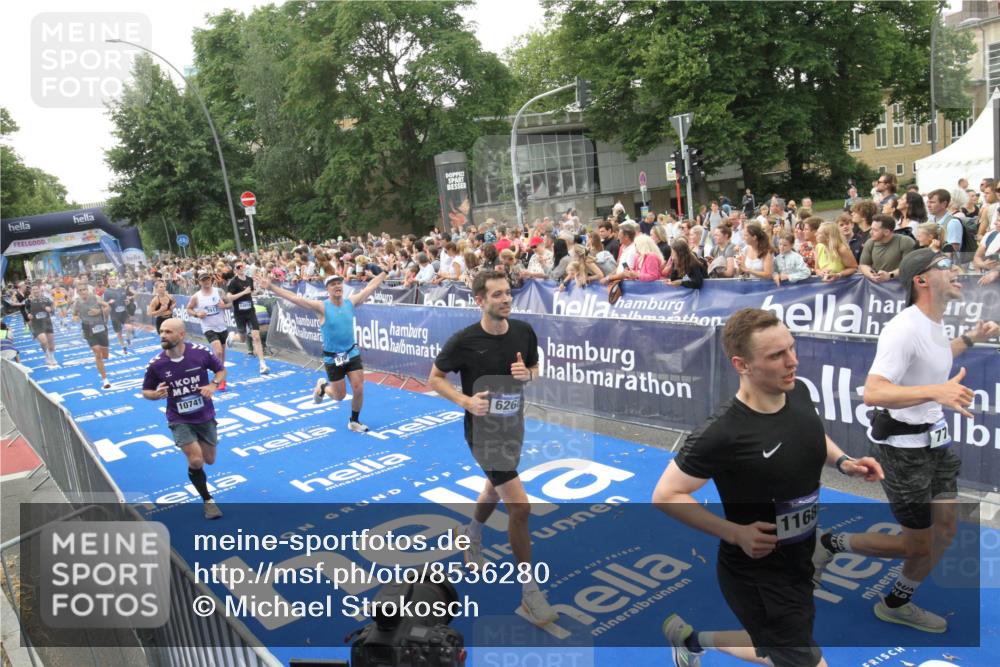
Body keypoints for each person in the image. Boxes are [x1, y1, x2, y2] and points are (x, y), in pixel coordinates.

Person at [653, 308, 883, 667]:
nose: (793, 361)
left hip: (801, 556)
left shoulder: (797, 392)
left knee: (777, 649)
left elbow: (809, 433)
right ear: (741, 365)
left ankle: (691, 641)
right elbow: (666, 494)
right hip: (757, 574)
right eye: (776, 355)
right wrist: (734, 532)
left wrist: (843, 462)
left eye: (791, 347)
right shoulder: (722, 432)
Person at [812, 249, 999, 633]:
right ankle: (830, 543)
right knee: (918, 545)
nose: (956, 269)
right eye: (944, 266)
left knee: (945, 531)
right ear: (922, 280)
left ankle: (895, 603)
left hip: (936, 446)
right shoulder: (904, 328)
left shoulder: (933, 323)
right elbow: (874, 392)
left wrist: (971, 338)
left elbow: (934, 359)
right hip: (903, 452)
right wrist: (936, 392)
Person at [428, 270, 558, 626]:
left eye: (507, 293)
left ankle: (470, 533)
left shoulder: (523, 331)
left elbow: (534, 367)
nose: (506, 299)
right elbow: (435, 378)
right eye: (497, 294)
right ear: (480, 300)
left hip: (513, 426)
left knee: (493, 489)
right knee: (520, 507)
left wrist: (528, 374)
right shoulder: (464, 341)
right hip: (483, 433)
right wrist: (465, 401)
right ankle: (530, 594)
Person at [260, 271, 387, 432]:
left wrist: (384, 273)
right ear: (327, 289)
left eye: (339, 283)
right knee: (339, 396)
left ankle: (354, 421)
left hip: (351, 353)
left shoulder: (350, 302)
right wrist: (271, 287)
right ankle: (323, 387)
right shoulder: (322, 307)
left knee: (359, 388)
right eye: (333, 284)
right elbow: (295, 298)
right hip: (333, 358)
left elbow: (370, 287)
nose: (337, 286)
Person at [142, 318, 226, 520]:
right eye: (161, 331)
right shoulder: (156, 364)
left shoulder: (200, 352)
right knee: (196, 460)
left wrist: (213, 385)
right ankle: (208, 501)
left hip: (205, 415)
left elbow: (221, 370)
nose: (163, 335)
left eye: (168, 332)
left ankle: (204, 448)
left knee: (209, 460)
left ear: (181, 335)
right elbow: (146, 391)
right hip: (178, 418)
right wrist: (155, 394)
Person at [187, 272, 232, 390]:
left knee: (222, 354)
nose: (206, 282)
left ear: (211, 280)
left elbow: (230, 303)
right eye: (203, 280)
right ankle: (218, 375)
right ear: (199, 282)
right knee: (218, 352)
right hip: (208, 328)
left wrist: (224, 306)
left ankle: (221, 376)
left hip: (222, 327)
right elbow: (188, 309)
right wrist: (197, 314)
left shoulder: (219, 292)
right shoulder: (196, 296)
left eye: (207, 279)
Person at [226, 262, 270, 375]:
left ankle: (262, 364)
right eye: (238, 267)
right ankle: (232, 337)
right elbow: (229, 298)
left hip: (250, 312)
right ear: (235, 270)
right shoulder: (233, 282)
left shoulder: (249, 280)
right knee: (243, 339)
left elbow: (252, 292)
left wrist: (258, 289)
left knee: (256, 337)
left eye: (242, 266)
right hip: (239, 314)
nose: (241, 268)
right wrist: (243, 292)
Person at [71, 282, 111, 389]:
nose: (82, 292)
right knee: (97, 352)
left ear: (87, 290)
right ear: (78, 292)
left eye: (84, 289)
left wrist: (99, 311)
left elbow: (108, 307)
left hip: (100, 327)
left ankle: (103, 356)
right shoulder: (77, 303)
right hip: (88, 329)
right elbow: (74, 314)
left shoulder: (96, 298)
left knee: (105, 355)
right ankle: (105, 380)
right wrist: (75, 318)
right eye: (80, 290)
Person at [859, 215, 915, 282]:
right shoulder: (870, 242)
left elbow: (909, 267)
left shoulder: (905, 241)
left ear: (886, 232)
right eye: (871, 229)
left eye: (875, 230)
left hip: (899, 283)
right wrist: (871, 274)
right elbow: (863, 264)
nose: (870, 232)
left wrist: (889, 275)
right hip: (876, 283)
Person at [25, 283, 58, 368]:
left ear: (39, 290)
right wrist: (28, 315)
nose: (35, 291)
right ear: (31, 291)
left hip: (47, 323)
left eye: (37, 289)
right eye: (33, 289)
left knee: (51, 344)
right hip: (37, 324)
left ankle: (52, 356)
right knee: (43, 341)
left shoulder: (46, 299)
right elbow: (26, 312)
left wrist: (50, 309)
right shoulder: (28, 301)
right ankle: (48, 356)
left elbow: (53, 308)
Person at [102, 274, 135, 354]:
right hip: (114, 315)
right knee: (119, 332)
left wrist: (128, 302)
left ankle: (127, 338)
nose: (112, 281)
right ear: (108, 282)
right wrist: (108, 302)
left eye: (114, 279)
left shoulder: (121, 289)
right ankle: (123, 346)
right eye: (111, 280)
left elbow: (126, 300)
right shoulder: (107, 292)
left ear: (116, 280)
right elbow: (104, 304)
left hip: (124, 313)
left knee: (129, 328)